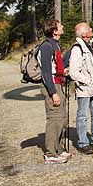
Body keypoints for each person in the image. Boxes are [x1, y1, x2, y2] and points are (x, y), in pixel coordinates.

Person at [67, 21, 93, 153]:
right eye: (89, 28)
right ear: (84, 34)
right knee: (82, 116)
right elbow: (74, 72)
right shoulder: (77, 49)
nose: (91, 29)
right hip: (85, 88)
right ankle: (83, 143)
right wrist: (87, 81)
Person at [38, 18, 70, 164]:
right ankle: (50, 153)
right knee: (54, 118)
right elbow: (45, 72)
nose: (62, 26)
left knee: (62, 118)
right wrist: (53, 93)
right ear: (54, 31)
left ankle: (58, 149)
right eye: (59, 25)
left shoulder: (55, 45)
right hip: (51, 86)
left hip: (58, 83)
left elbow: (57, 65)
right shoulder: (46, 47)